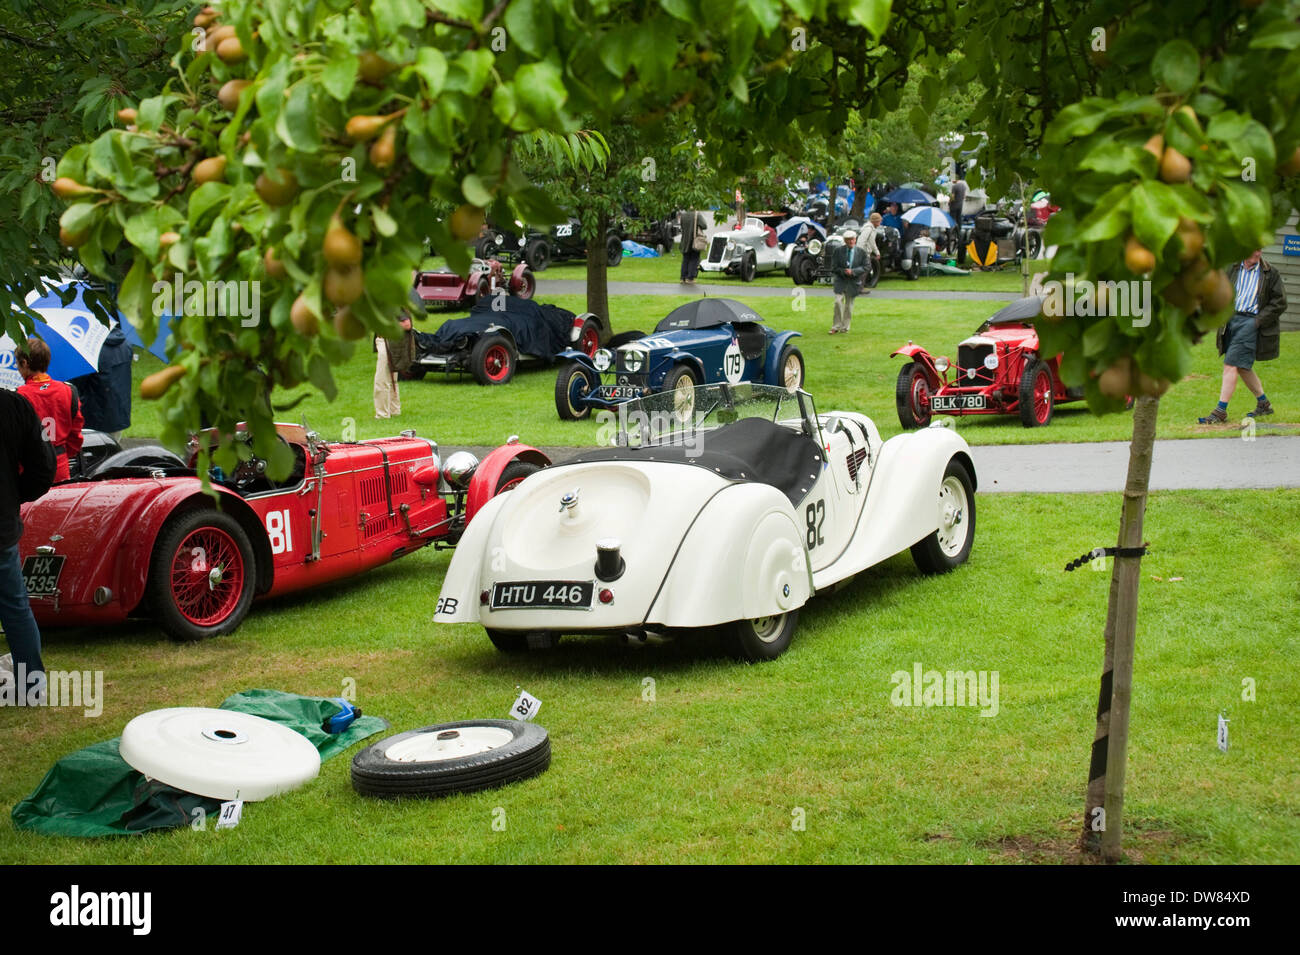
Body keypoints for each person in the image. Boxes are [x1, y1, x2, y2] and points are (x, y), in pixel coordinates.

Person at [0, 388, 56, 705]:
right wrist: (14, 496)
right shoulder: (13, 405)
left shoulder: (14, 405)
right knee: (15, 606)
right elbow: (43, 465)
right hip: (2, 524)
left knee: (15, 606)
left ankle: (31, 686)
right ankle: (31, 687)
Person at [1199, 249, 1287, 423]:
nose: (1257, 253)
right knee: (1242, 366)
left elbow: (1280, 302)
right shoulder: (1231, 268)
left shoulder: (1270, 273)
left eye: (1259, 249)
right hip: (1231, 320)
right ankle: (1264, 404)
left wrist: (1258, 321)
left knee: (1230, 365)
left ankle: (1220, 411)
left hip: (1251, 321)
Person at [15, 338, 84, 483]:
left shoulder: (18, 396)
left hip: (28, 470)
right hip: (60, 467)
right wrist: (63, 454)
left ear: (25, 363)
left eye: (18, 364)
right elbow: (76, 434)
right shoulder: (69, 391)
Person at [68, 321, 132, 440]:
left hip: (95, 418)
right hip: (119, 413)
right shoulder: (126, 344)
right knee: (114, 454)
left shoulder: (92, 349)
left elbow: (76, 386)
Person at [374, 313, 414, 419]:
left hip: (389, 342)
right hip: (389, 342)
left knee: (381, 380)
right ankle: (394, 410)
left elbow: (407, 324)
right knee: (391, 380)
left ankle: (382, 414)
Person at [829, 228, 869, 334]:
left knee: (849, 306)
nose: (851, 242)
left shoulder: (861, 252)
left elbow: (866, 267)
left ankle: (845, 327)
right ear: (845, 240)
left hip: (853, 282)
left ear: (855, 240)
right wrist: (844, 271)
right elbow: (834, 267)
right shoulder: (838, 251)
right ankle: (836, 326)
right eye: (848, 240)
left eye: (852, 239)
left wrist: (853, 271)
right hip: (840, 281)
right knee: (837, 302)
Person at [679, 210, 707, 283]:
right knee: (694, 259)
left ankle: (683, 277)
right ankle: (690, 278)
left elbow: (681, 226)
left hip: (684, 240)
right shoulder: (697, 215)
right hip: (695, 240)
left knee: (685, 259)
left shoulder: (683, 215)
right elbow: (704, 225)